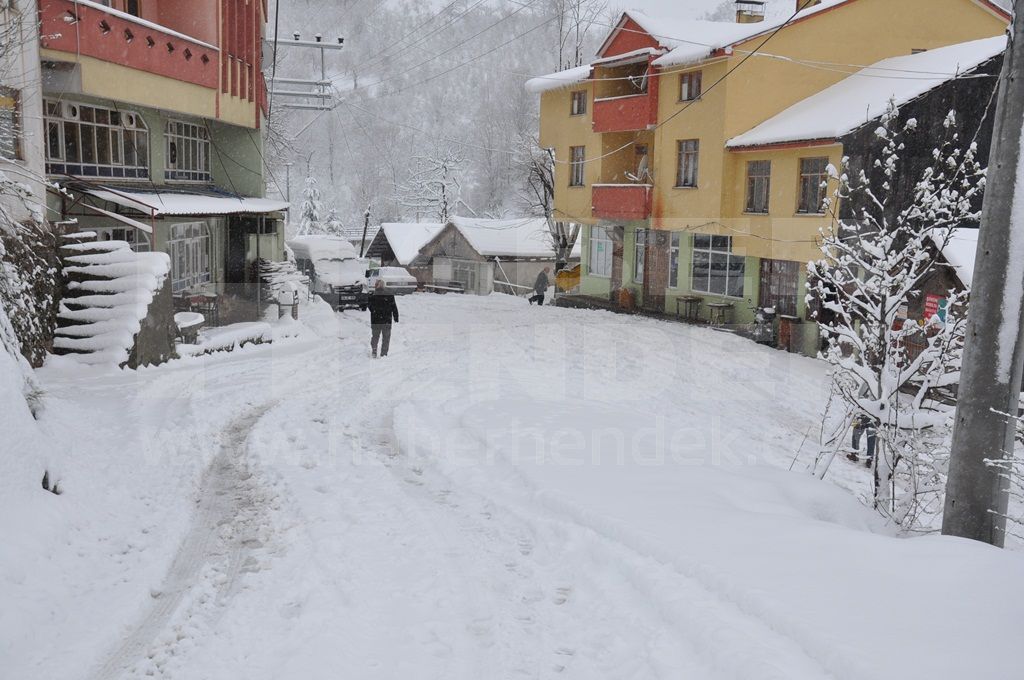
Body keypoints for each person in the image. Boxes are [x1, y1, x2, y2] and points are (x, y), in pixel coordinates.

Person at [367, 279, 398, 358]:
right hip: (386, 320)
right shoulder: (390, 295)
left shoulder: (372, 295)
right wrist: (396, 317)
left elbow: (369, 307)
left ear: (376, 286)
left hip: (375, 320)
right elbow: (394, 307)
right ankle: (384, 354)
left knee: (375, 336)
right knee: (386, 338)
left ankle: (374, 350)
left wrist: (374, 311)